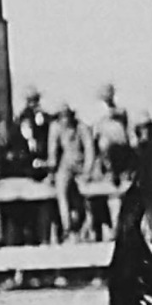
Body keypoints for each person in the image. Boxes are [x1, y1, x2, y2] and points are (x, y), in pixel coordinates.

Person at [47, 104, 95, 243]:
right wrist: (51, 169)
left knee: (86, 194)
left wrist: (87, 171)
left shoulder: (82, 128)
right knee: (61, 192)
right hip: (65, 164)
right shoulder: (56, 128)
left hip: (80, 164)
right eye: (61, 117)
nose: (64, 120)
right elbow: (53, 151)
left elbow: (89, 150)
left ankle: (88, 228)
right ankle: (67, 227)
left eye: (66, 116)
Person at [91, 83, 133, 185]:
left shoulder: (120, 111)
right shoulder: (100, 113)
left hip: (119, 144)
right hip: (106, 144)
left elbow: (124, 121)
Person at [14, 86, 51, 180]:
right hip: (29, 148)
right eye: (31, 100)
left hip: (41, 145)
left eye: (34, 100)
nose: (33, 103)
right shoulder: (24, 116)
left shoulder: (41, 115)